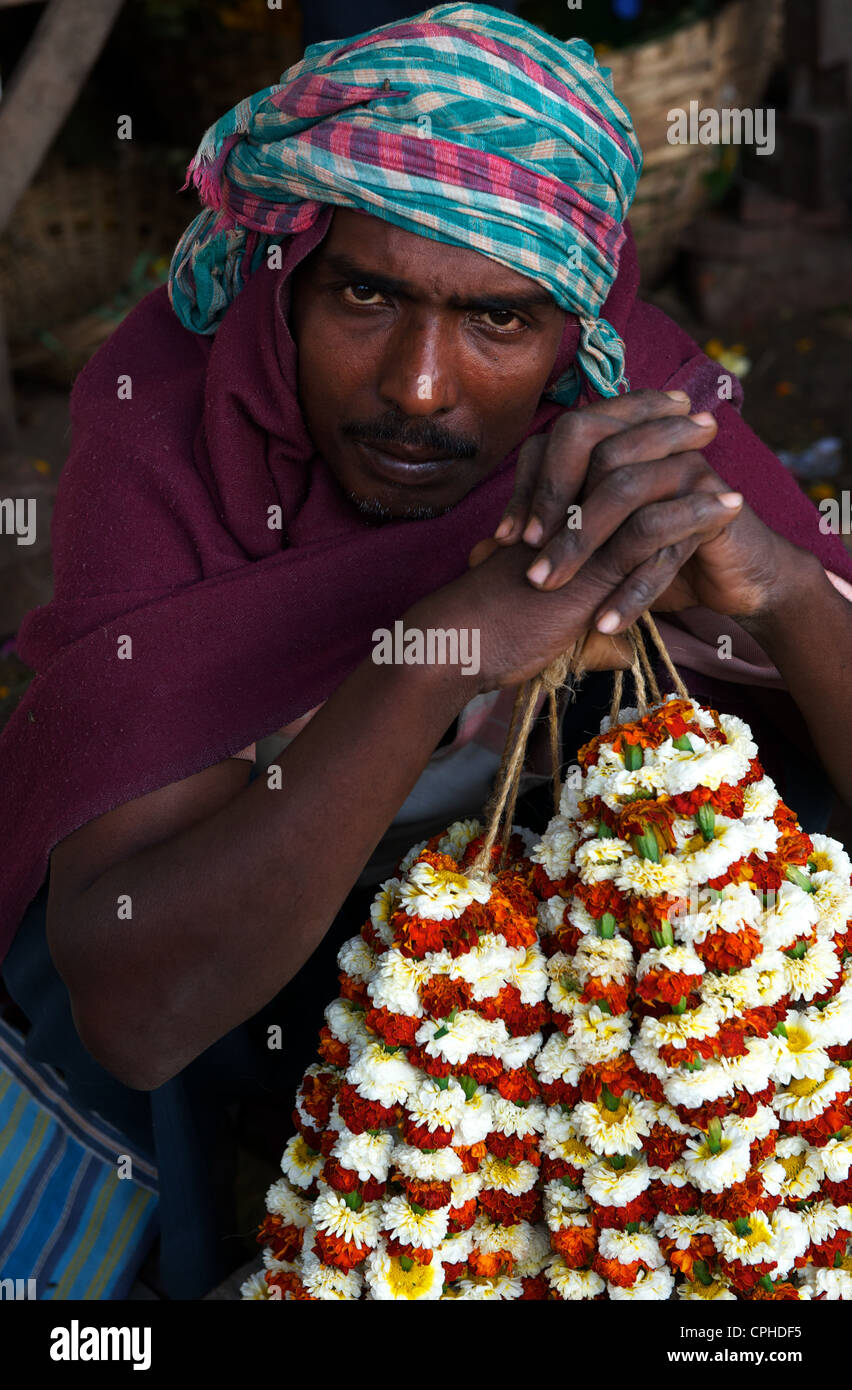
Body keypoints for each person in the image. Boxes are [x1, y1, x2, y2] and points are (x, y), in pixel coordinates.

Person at [1, 4, 851, 1298]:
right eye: (366, 293)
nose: (417, 386)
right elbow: (138, 1006)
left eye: (500, 321)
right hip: (291, 970)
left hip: (586, 974)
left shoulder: (638, 405)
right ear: (287, 272)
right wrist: (436, 651)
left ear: (577, 330)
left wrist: (782, 591)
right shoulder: (175, 424)